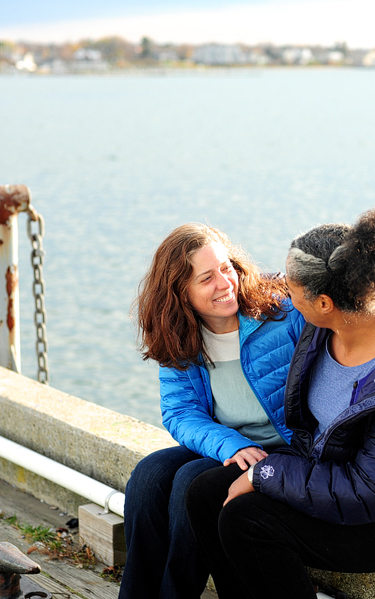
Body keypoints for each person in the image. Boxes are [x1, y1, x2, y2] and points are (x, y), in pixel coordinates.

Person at [185, 202, 375, 599]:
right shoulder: (331, 318)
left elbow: (369, 494)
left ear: (324, 302)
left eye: (292, 286)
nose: (282, 290)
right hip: (331, 471)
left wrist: (264, 475)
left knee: (247, 519)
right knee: (206, 493)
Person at [118, 223, 305, 599]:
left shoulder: (283, 314)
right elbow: (180, 412)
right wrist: (228, 444)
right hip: (233, 442)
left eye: (226, 268)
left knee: (190, 482)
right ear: (180, 293)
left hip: (288, 445)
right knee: (149, 474)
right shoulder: (180, 335)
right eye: (207, 278)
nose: (224, 283)